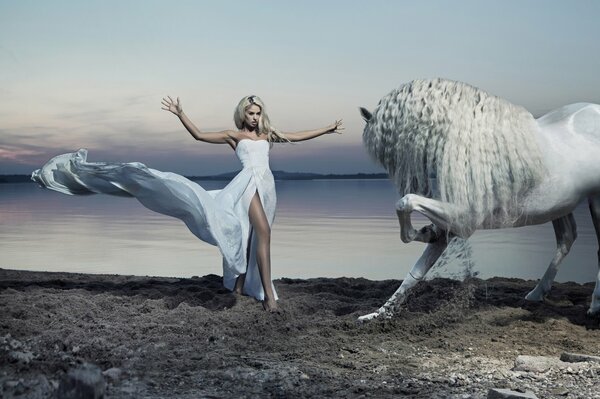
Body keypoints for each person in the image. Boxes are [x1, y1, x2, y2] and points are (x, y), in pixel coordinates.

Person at [32, 94, 343, 312]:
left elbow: (297, 136)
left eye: (258, 112)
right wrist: (181, 114)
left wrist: (327, 129)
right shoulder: (233, 136)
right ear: (242, 114)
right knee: (263, 233)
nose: (255, 116)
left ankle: (237, 288)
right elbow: (197, 135)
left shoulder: (267, 135)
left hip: (268, 186)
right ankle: (268, 299)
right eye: (250, 112)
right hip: (246, 185)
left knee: (250, 237)